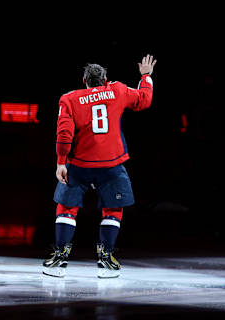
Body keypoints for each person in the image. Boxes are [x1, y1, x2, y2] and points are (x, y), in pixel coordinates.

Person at [42, 54, 157, 278]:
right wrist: (146, 76)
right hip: (111, 164)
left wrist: (60, 162)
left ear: (84, 81)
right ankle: (106, 259)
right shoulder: (118, 90)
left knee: (66, 207)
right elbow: (144, 99)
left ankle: (59, 259)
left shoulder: (70, 99)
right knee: (113, 209)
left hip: (80, 163)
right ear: (105, 80)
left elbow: (64, 135)